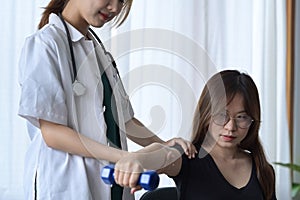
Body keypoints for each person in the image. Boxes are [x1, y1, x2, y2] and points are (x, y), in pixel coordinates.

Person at [18, 0, 196, 199]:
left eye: (121, 1)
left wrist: (164, 145)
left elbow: (123, 119)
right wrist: (127, 159)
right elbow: (52, 133)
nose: (116, 8)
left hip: (110, 181)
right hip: (66, 183)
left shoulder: (99, 51)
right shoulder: (45, 44)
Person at [114, 70, 277, 200]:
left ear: (253, 121)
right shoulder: (189, 159)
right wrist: (135, 159)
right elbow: (162, 154)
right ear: (206, 114)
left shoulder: (262, 169)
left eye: (241, 117)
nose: (230, 126)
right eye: (221, 115)